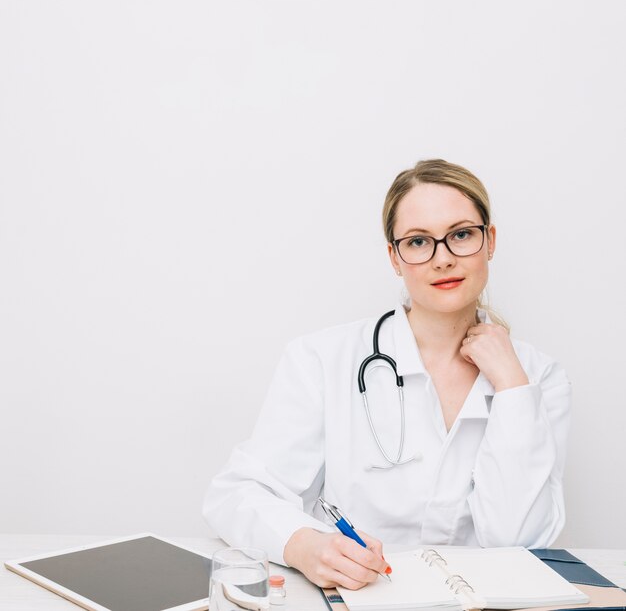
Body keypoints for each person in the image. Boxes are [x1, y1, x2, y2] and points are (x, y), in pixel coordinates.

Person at [203, 158, 571, 591]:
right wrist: (303, 544)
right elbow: (236, 494)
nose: (443, 259)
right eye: (418, 242)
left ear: (489, 241)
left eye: (462, 235)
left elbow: (519, 544)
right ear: (395, 258)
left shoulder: (539, 379)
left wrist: (511, 386)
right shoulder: (322, 359)